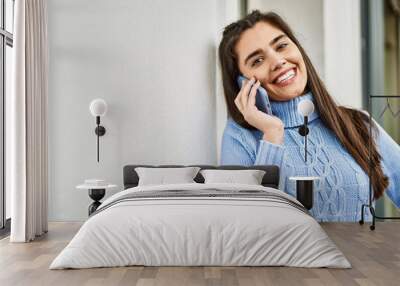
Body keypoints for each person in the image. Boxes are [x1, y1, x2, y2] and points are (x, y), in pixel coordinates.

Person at [218, 10, 400, 222]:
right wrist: (272, 134)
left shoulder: (358, 123)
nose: (278, 61)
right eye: (257, 60)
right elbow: (245, 226)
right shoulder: (239, 137)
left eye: (281, 45)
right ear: (242, 82)